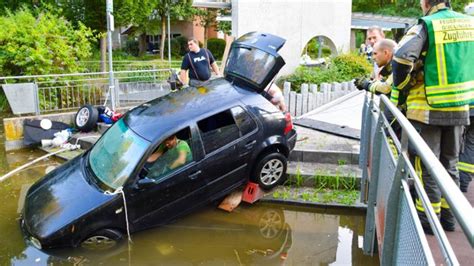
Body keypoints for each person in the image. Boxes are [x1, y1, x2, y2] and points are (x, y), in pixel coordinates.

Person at [391, 0, 473, 233]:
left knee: (428, 164)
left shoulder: (426, 25)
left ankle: (428, 220)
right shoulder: (470, 24)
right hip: (460, 106)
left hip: (428, 109)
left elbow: (401, 57)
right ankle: (448, 219)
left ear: (426, 2)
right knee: (450, 163)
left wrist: (404, 82)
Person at [459, 108, 474, 192]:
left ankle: (458, 181)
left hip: (463, 109)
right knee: (471, 146)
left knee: (454, 142)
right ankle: (463, 182)